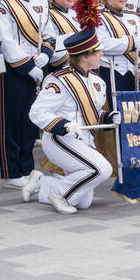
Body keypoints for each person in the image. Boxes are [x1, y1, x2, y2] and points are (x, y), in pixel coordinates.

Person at [23, 28, 119, 215]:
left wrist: (108, 117)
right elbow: (37, 112)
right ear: (85, 56)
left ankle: (42, 182)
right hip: (60, 140)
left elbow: (93, 114)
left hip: (84, 141)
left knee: (83, 201)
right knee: (102, 169)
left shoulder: (99, 82)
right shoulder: (59, 80)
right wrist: (63, 125)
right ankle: (60, 195)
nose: (102, 54)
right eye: (98, 51)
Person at [0, 0, 48, 189]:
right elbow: (6, 41)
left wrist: (46, 54)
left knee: (29, 121)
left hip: (36, 66)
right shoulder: (4, 3)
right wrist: (27, 67)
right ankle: (11, 171)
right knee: (10, 120)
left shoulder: (41, 1)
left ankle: (27, 167)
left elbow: (48, 33)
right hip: (14, 70)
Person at [93, 0, 140, 92]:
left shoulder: (134, 18)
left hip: (133, 73)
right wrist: (130, 42)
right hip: (110, 72)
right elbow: (102, 44)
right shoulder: (99, 17)